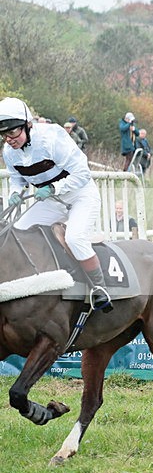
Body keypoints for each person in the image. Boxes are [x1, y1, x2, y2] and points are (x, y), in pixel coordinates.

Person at [0, 97, 112, 312]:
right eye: (4, 134)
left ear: (28, 125)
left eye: (13, 132)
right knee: (18, 232)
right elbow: (17, 179)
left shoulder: (52, 137)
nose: (9, 139)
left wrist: (52, 188)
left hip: (80, 195)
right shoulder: (9, 151)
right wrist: (15, 193)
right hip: (50, 201)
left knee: (75, 238)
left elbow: (82, 173)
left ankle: (100, 288)